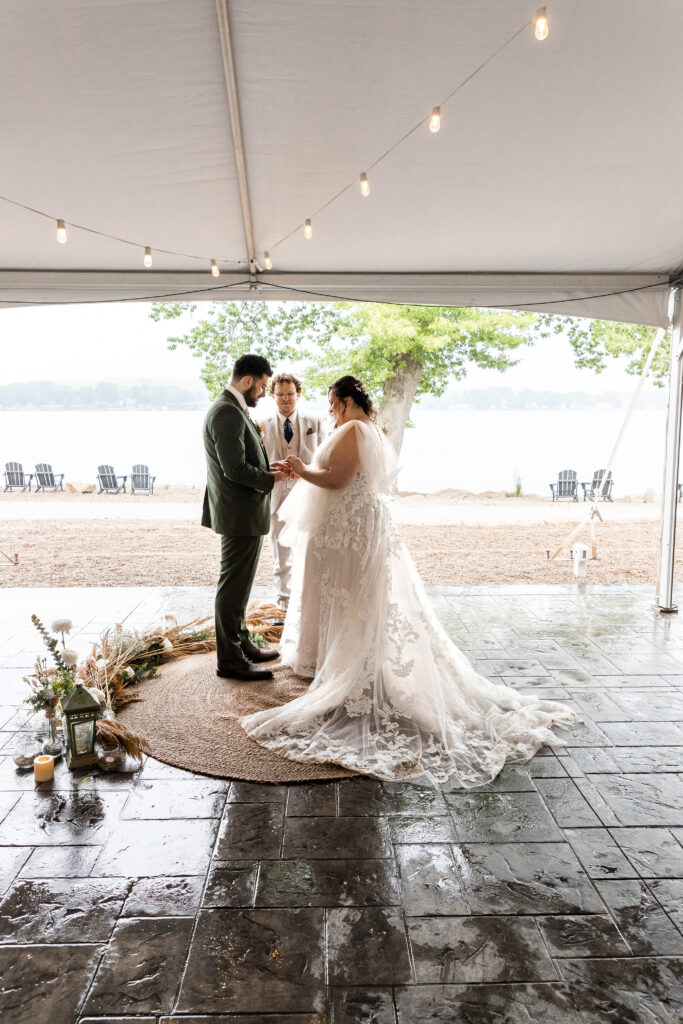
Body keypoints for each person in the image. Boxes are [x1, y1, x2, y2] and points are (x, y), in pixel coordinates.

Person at [242, 375, 579, 787]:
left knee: (353, 599)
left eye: (332, 401)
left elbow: (339, 480)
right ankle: (341, 655)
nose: (329, 408)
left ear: (348, 400)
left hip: (351, 531)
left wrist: (300, 470)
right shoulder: (366, 429)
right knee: (354, 600)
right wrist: (308, 471)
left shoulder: (354, 429)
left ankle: (356, 666)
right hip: (350, 526)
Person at [202, 353, 286, 682]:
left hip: (242, 511)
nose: (264, 393)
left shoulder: (232, 408)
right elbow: (233, 469)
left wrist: (268, 469)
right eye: (263, 385)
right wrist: (271, 479)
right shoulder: (226, 411)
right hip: (239, 513)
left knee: (240, 586)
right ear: (248, 380)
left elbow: (240, 460)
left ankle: (241, 643)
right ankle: (230, 660)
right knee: (233, 587)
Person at [256, 373, 327, 609]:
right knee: (280, 554)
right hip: (276, 497)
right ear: (273, 396)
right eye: (280, 395)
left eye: (290, 394)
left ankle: (306, 600)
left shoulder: (314, 422)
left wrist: (305, 470)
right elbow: (257, 462)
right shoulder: (261, 424)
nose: (286, 399)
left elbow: (324, 458)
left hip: (308, 497)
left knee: (309, 550)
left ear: (298, 394)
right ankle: (283, 602)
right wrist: (274, 471)